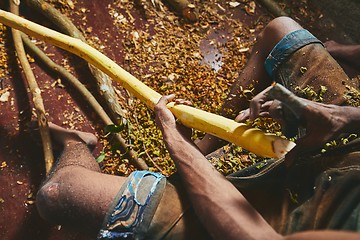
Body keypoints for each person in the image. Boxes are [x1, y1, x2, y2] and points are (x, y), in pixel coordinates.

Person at [35, 16, 360, 239]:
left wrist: (182, 149)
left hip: (284, 225)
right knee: (282, 30)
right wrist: (341, 118)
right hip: (351, 158)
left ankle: (78, 143)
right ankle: (209, 147)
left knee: (57, 194)